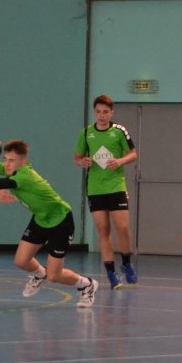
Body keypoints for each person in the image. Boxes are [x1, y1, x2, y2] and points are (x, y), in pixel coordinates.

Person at [0, 137, 100, 308]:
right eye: (5, 159)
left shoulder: (24, 176)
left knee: (54, 276)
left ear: (23, 161)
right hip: (40, 219)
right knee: (21, 261)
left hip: (61, 222)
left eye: (11, 161)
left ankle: (86, 284)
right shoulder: (11, 170)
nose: (6, 164)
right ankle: (40, 275)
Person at [74, 95, 138, 289]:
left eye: (105, 112)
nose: (101, 116)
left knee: (123, 228)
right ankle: (111, 272)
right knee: (103, 230)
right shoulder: (86, 133)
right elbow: (77, 157)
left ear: (111, 113)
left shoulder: (119, 131)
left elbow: (133, 154)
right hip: (95, 189)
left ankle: (126, 263)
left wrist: (119, 161)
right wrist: (82, 162)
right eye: (98, 112)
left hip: (116, 187)